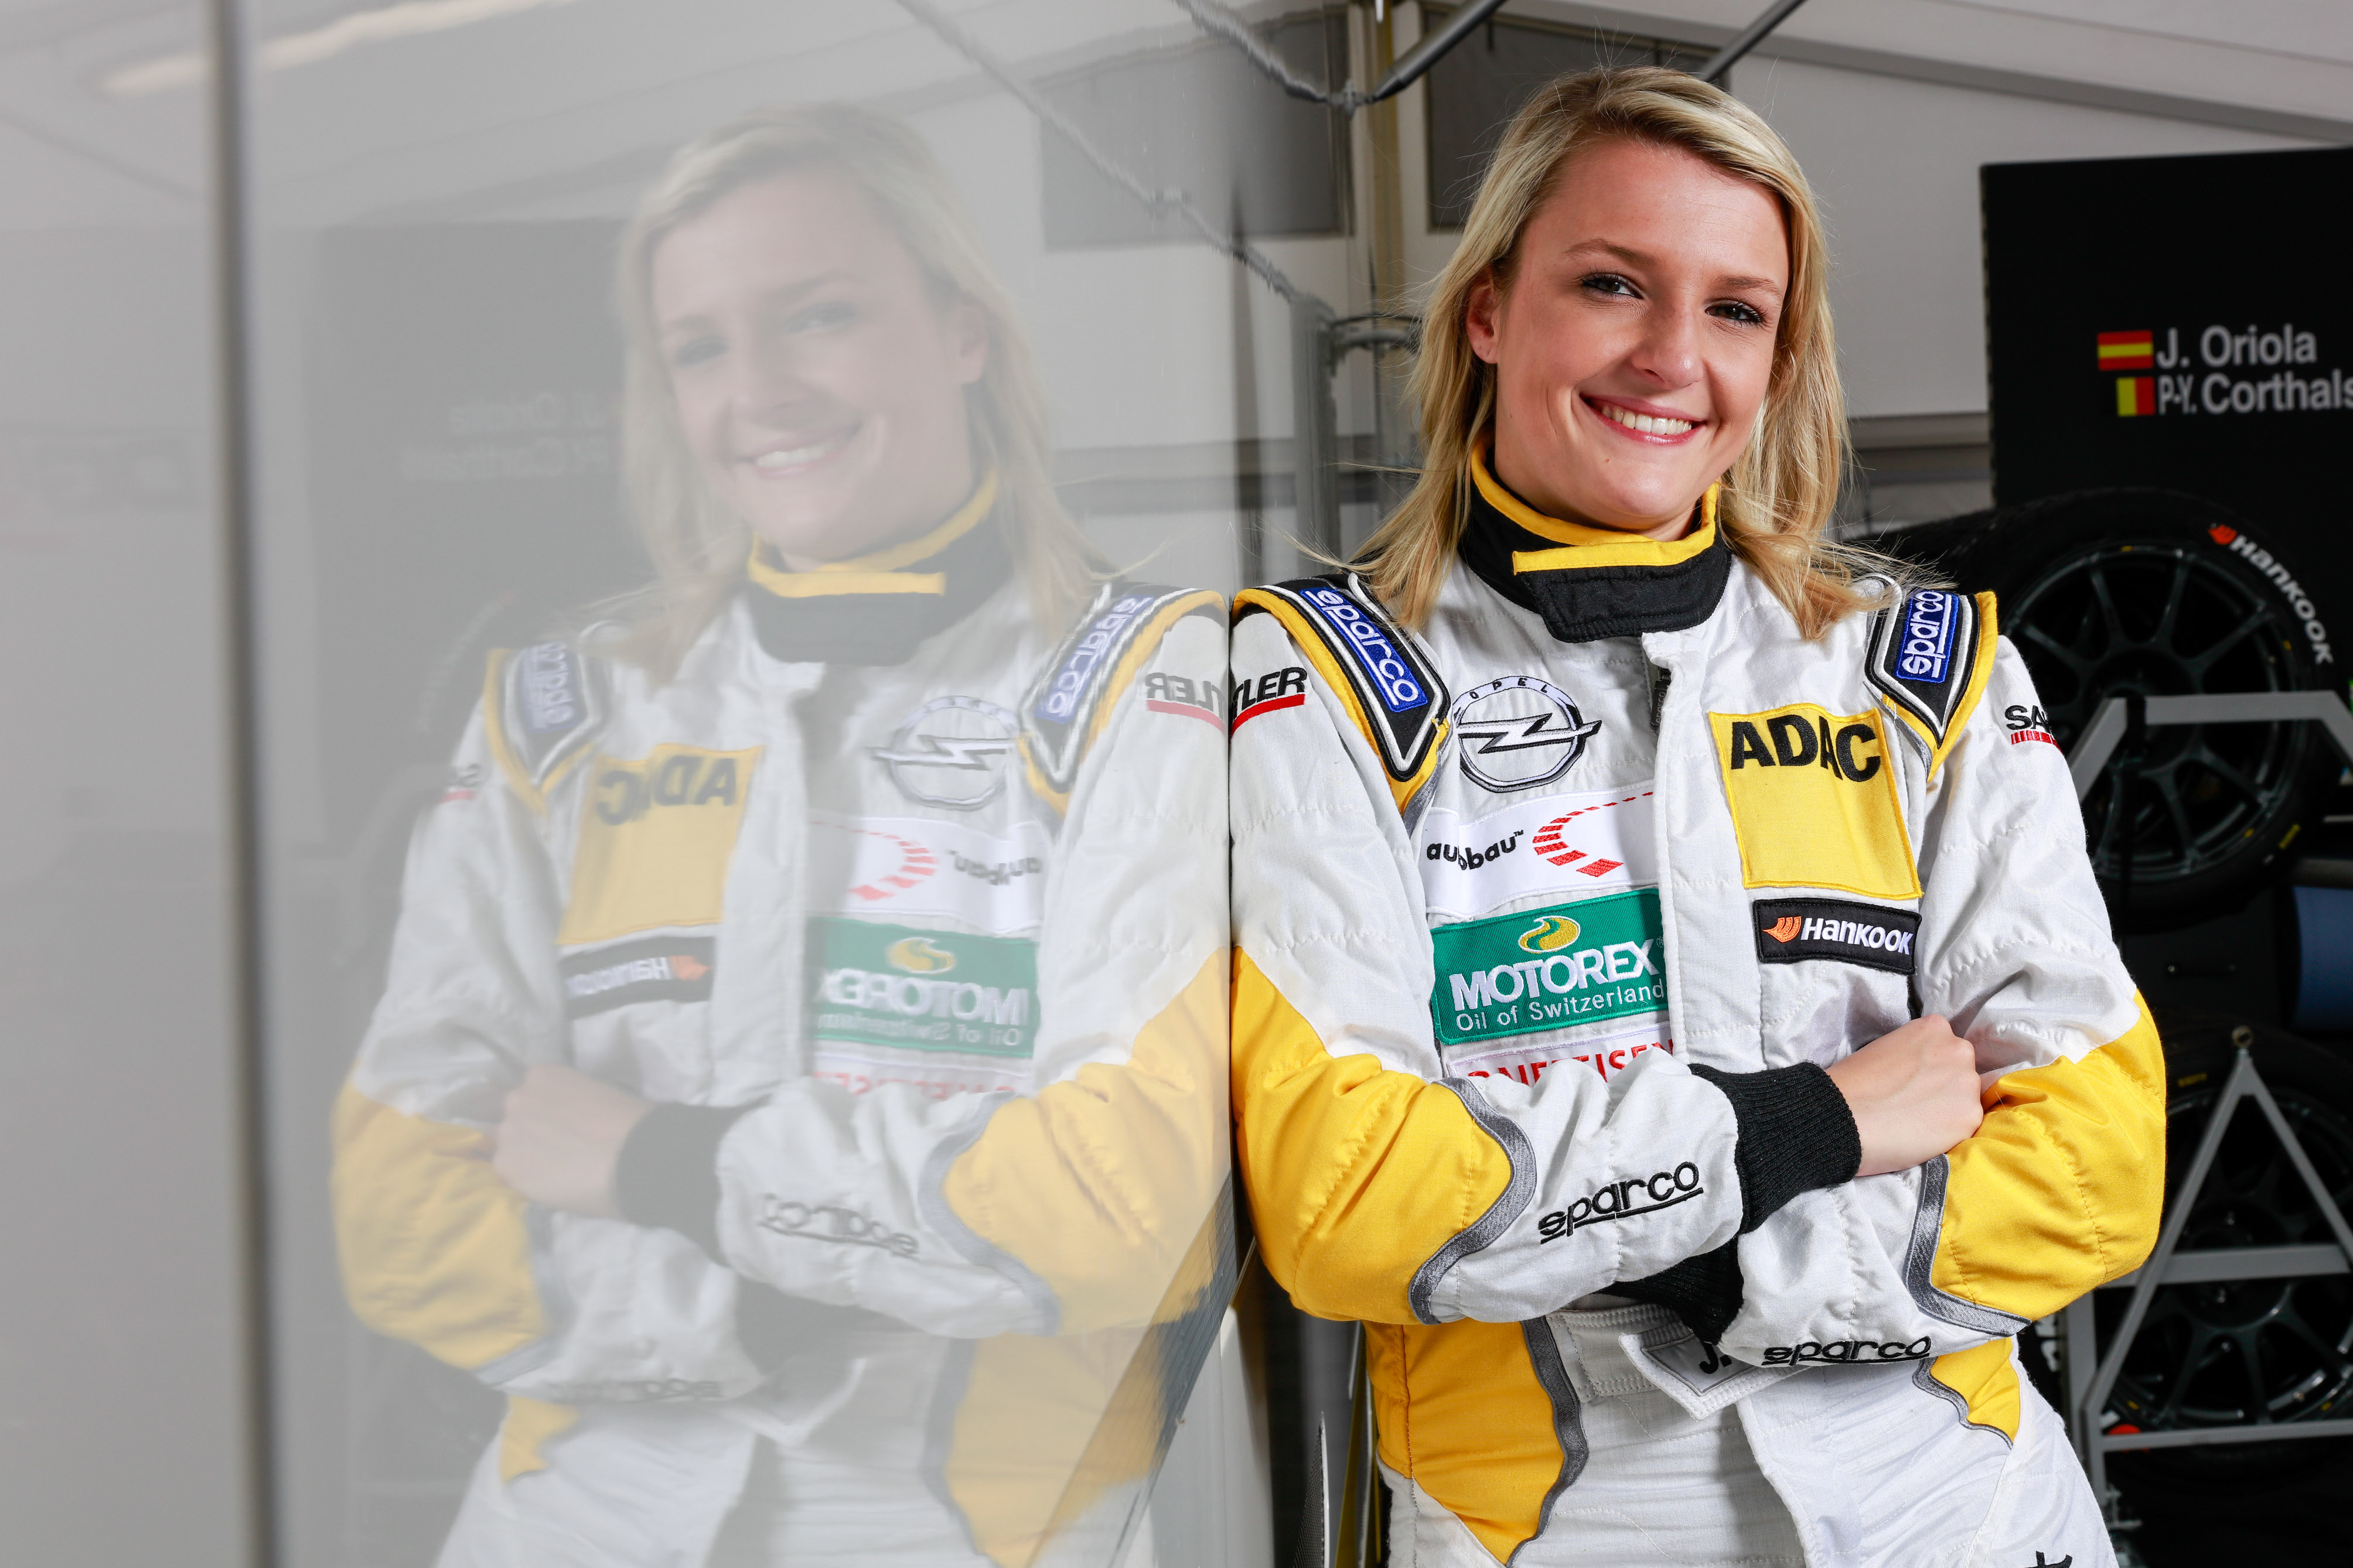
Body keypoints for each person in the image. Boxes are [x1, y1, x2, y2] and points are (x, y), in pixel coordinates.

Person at [1229, 67, 2162, 1568]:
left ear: (1780, 360)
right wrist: (1818, 1122)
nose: (1671, 357)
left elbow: (2094, 1164)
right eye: (1612, 283)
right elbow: (1354, 1200)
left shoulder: (1921, 670)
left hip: (1964, 1501)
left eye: (1735, 310)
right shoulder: (1326, 681)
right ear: (1488, 308)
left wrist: (1694, 1258)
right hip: (1559, 1523)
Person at [332, 104, 1229, 1567]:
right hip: (566, 1522)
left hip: (968, 1531)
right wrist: (767, 1296)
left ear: (962, 328)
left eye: (818, 316)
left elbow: (1114, 1203)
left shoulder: (1153, 684)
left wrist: (665, 1167)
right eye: (699, 348)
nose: (757, 391)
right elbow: (400, 1210)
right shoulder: (566, 712)